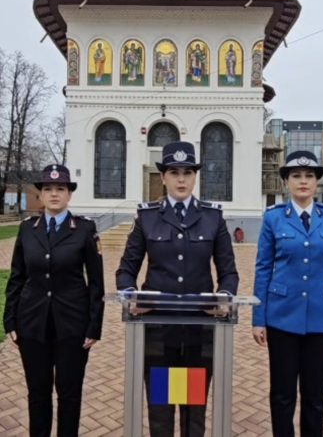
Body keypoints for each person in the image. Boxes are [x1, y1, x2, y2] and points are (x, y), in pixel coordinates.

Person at [116, 141, 239, 437]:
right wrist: (131, 295)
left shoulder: (212, 217)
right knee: (161, 409)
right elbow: (126, 269)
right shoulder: (148, 217)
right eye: (174, 172)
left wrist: (223, 297)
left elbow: (229, 272)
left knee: (192, 411)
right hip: (159, 330)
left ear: (196, 176)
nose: (181, 179)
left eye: (187, 172)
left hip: (198, 331)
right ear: (163, 177)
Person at [252, 150, 323, 437]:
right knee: (282, 395)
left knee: (315, 396)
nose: (303, 181)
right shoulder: (274, 219)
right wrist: (259, 318)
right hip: (282, 318)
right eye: (296, 176)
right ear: (286, 181)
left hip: (322, 318)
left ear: (317, 182)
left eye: (309, 176)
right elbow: (263, 269)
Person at [3, 164, 104, 437]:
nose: (55, 194)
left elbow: (96, 282)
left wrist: (94, 326)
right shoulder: (27, 230)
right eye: (48, 189)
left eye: (61, 189)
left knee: (69, 395)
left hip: (73, 326)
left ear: (69, 194)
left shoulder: (84, 230)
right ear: (41, 195)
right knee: (38, 393)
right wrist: (9, 318)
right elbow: (17, 276)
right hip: (33, 324)